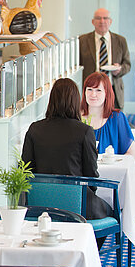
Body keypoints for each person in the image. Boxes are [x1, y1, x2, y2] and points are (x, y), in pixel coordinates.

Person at [21, 78, 111, 222]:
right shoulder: (84, 131)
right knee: (110, 210)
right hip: (75, 203)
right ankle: (87, 243)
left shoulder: (34, 129)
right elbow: (91, 175)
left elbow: (25, 169)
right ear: (75, 101)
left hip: (40, 203)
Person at [78, 8, 132, 109]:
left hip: (113, 88)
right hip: (91, 91)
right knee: (92, 120)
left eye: (105, 18)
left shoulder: (120, 41)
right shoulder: (82, 41)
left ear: (110, 21)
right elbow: (76, 66)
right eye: (98, 18)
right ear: (93, 22)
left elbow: (127, 65)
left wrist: (119, 69)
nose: (102, 21)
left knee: (113, 120)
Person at [81, 72, 135, 159]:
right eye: (89, 89)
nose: (93, 94)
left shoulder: (116, 118)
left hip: (111, 171)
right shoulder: (76, 117)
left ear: (106, 93)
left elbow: (133, 154)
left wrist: (113, 162)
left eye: (98, 90)